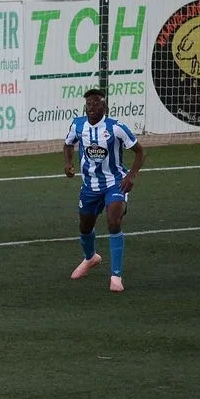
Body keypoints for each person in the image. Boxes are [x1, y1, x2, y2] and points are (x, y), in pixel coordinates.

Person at [64, 88, 145, 293]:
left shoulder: (116, 128)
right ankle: (90, 258)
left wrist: (131, 176)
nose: (91, 107)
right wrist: (68, 163)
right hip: (90, 185)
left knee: (114, 221)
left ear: (104, 106)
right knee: (85, 225)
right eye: (88, 103)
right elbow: (67, 144)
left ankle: (116, 276)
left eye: (96, 103)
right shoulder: (78, 124)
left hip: (114, 183)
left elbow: (140, 152)